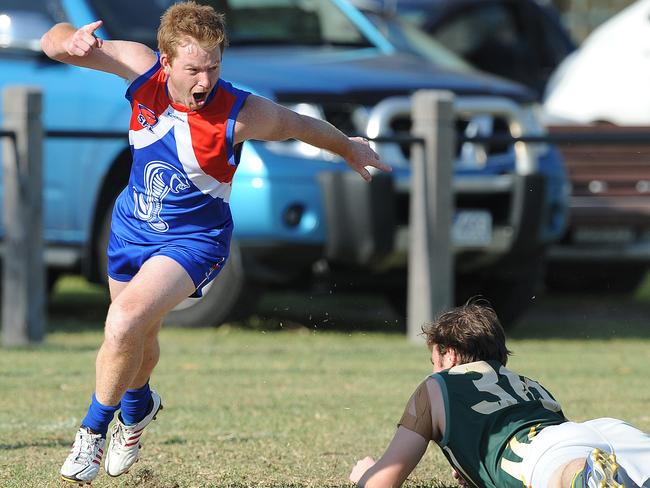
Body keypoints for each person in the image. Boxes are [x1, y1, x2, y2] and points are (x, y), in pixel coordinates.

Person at [40, 2, 390, 484]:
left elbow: (300, 125)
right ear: (165, 62)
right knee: (138, 333)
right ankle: (139, 407)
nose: (205, 81)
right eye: (193, 70)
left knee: (123, 322)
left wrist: (349, 147)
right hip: (131, 226)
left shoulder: (241, 113)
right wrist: (69, 40)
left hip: (195, 240)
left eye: (214, 67)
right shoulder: (140, 67)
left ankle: (93, 434)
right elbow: (52, 41)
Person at [349, 300, 650, 488]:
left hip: (550, 453)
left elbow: (382, 482)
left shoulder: (437, 386)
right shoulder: (528, 383)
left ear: (449, 356)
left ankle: (588, 480)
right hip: (607, 432)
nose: (433, 370)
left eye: (434, 361)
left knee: (563, 475)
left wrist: (364, 474)